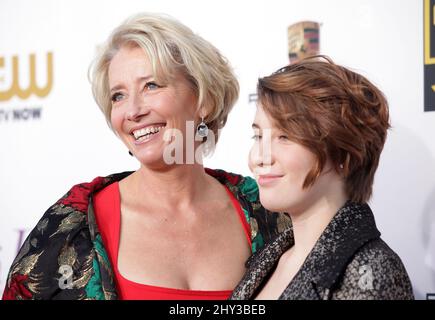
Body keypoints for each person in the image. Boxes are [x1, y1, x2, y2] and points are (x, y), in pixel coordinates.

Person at [2, 13, 290, 300]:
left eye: (151, 85)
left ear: (204, 98)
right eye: (118, 96)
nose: (133, 111)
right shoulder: (69, 227)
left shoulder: (267, 212)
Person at [230, 56, 414, 300]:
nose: (258, 158)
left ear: (343, 153)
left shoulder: (372, 272)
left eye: (285, 136)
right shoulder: (271, 256)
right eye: (258, 136)